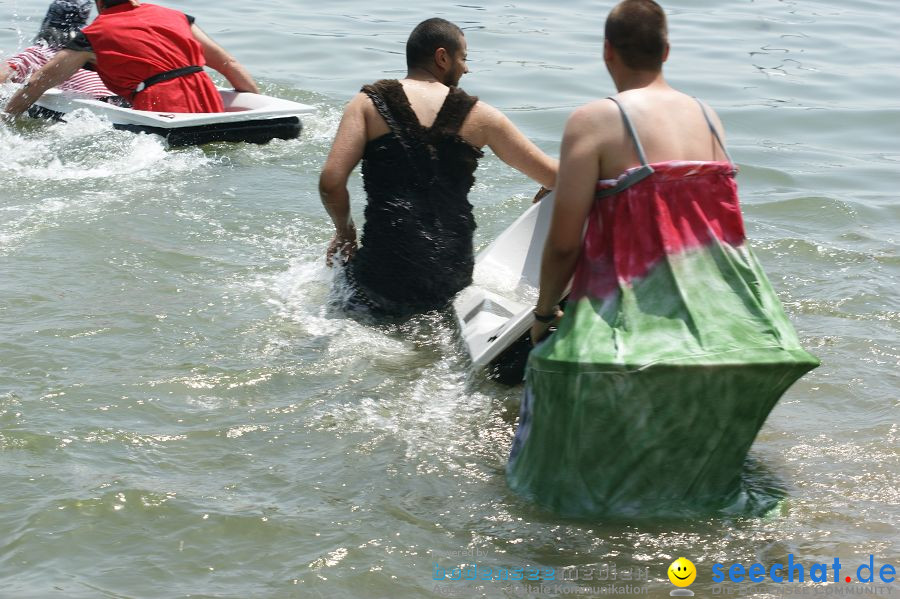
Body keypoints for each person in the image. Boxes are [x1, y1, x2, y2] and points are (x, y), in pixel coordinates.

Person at [506, 0, 818, 516]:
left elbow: (564, 242)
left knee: (556, 375)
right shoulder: (708, 116)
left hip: (630, 318)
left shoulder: (593, 120)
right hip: (729, 319)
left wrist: (543, 317)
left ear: (607, 51)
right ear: (667, 52)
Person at [319, 18, 557, 320]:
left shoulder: (367, 104)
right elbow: (556, 175)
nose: (467, 69)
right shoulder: (482, 116)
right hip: (448, 276)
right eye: (464, 58)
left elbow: (331, 183)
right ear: (442, 57)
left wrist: (345, 233)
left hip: (382, 274)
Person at [3, 0, 258, 117]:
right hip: (207, 99)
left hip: (161, 104)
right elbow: (229, 64)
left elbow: (37, 82)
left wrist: (8, 119)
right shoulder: (175, 16)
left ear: (100, 4)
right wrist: (257, 106)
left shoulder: (95, 35)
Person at [0, 0, 114, 100]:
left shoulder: (38, 53)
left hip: (90, 105)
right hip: (117, 100)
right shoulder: (90, 54)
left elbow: (2, 76)